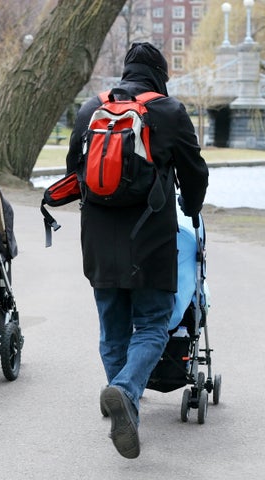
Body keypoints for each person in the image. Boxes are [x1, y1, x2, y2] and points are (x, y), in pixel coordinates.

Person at [65, 42, 208, 458]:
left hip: (97, 238)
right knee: (151, 325)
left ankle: (126, 408)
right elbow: (194, 170)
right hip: (150, 239)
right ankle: (126, 392)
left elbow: (75, 168)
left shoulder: (92, 107)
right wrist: (190, 207)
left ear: (127, 72)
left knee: (113, 330)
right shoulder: (169, 111)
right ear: (159, 74)